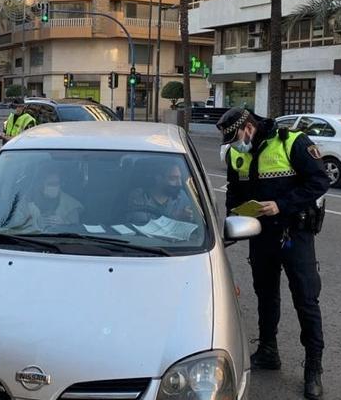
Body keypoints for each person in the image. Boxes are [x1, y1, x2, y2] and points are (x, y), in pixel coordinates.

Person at [217, 107, 330, 400]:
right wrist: (232, 222)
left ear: (250, 126)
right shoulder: (235, 153)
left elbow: (319, 181)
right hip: (261, 234)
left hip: (294, 232)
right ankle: (268, 350)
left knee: (305, 298)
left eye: (238, 136)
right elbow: (233, 190)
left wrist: (282, 204)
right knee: (266, 294)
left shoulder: (292, 142)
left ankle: (313, 368)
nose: (236, 144)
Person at [127, 163, 194, 224]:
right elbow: (141, 225)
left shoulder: (181, 195)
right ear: (158, 178)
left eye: (180, 178)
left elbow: (196, 220)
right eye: (173, 178)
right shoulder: (139, 196)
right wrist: (175, 217)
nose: (179, 183)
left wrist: (190, 215)